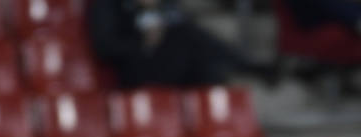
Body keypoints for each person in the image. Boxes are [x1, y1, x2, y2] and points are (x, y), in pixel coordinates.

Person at [87, 0, 276, 89]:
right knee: (186, 35)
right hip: (139, 69)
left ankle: (234, 74)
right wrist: (142, 42)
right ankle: (247, 66)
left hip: (177, 62)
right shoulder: (108, 5)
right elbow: (105, 46)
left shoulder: (163, 4)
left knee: (206, 66)